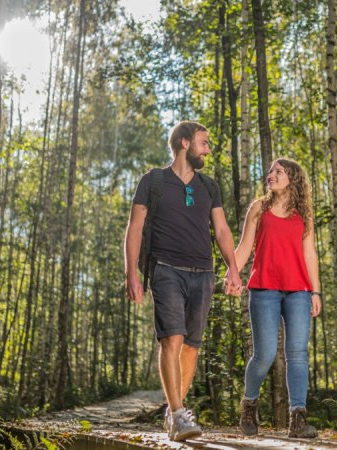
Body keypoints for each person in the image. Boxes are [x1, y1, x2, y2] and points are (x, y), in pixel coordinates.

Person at [124, 120, 242, 442]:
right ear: (185, 143)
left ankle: (174, 410)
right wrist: (132, 273)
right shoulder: (153, 181)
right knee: (171, 339)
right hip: (165, 269)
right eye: (204, 142)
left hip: (203, 273)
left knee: (191, 346)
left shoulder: (209, 186)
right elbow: (135, 228)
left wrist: (233, 268)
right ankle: (177, 414)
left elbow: (221, 230)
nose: (208, 149)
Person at [231, 158, 322, 438]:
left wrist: (316, 290)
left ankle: (298, 419)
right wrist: (232, 274)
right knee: (265, 355)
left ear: (292, 178)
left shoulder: (302, 214)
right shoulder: (259, 208)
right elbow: (245, 246)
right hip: (264, 288)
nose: (271, 175)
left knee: (297, 355)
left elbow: (310, 254)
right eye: (270, 171)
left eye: (278, 172)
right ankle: (249, 404)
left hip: (299, 291)